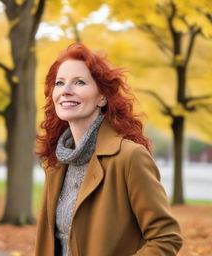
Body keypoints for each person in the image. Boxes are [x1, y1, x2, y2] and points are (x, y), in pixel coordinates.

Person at [35, 42, 182, 256]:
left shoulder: (129, 157)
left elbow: (166, 238)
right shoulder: (56, 162)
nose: (65, 91)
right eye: (59, 83)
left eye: (79, 82)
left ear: (102, 97)